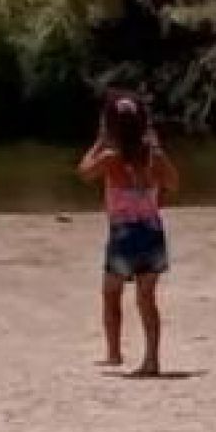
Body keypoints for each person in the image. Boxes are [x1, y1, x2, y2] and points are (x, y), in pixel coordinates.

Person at [78, 93, 179, 377]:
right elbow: (174, 182)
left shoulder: (112, 157)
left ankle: (114, 352)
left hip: (123, 232)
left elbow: (84, 171)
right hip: (151, 230)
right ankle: (152, 359)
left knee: (111, 292)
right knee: (147, 298)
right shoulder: (154, 156)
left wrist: (99, 142)